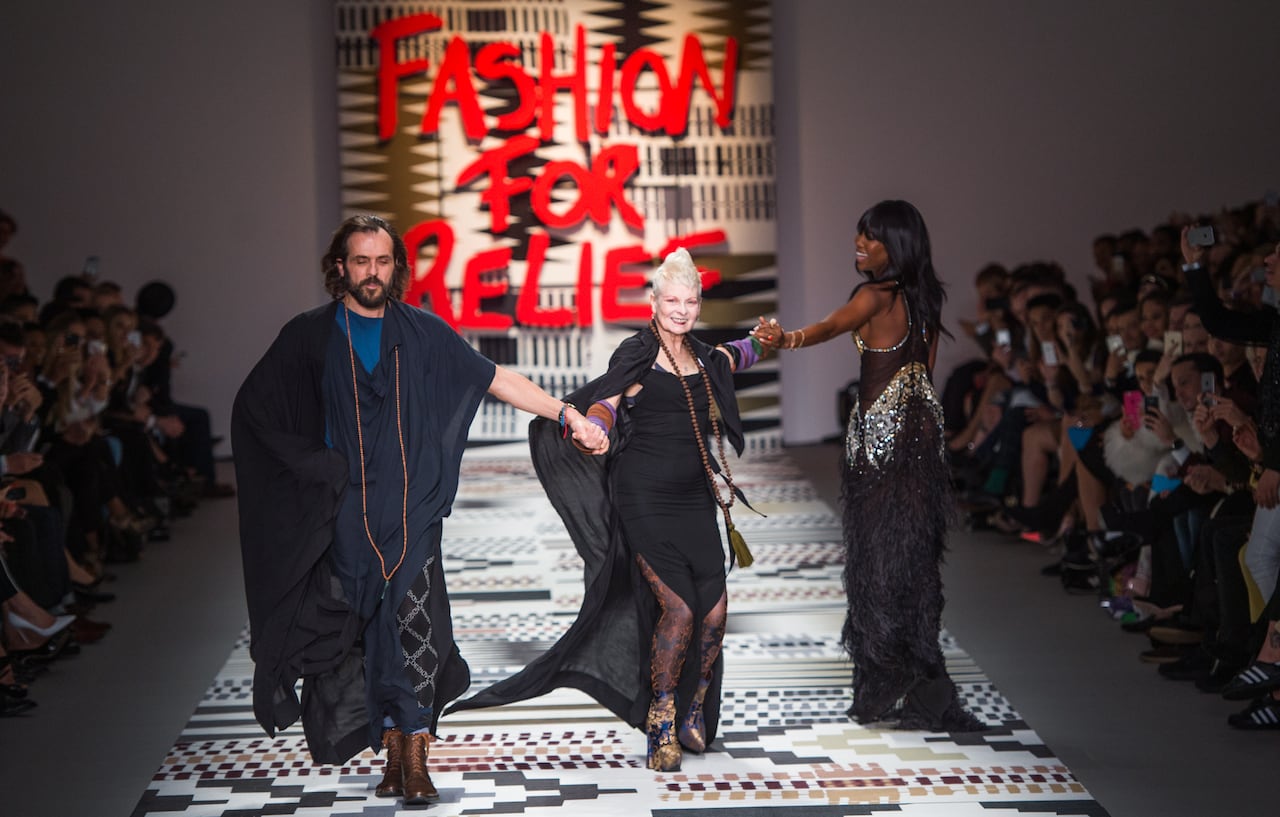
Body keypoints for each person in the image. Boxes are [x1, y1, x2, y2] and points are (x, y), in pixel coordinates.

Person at [231, 215, 606, 805]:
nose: (372, 272)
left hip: (412, 508)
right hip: (344, 514)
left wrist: (567, 414)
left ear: (395, 268)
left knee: (416, 623)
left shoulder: (421, 332)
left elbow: (494, 378)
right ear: (340, 267)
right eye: (361, 261)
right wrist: (315, 466)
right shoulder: (308, 336)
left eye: (382, 262)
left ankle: (416, 753)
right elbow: (256, 411)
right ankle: (389, 744)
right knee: (363, 631)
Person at [447, 247, 764, 771]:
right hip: (643, 497)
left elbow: (738, 355)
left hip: (693, 499)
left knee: (715, 613)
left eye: (690, 301)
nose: (681, 310)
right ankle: (661, 717)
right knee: (680, 609)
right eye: (672, 300)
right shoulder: (636, 353)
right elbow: (608, 401)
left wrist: (763, 341)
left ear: (699, 303)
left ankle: (695, 707)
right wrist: (595, 427)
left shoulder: (705, 358)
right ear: (654, 300)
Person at [754, 199, 983, 731]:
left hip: (882, 447)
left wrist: (783, 339)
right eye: (859, 235)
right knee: (916, 559)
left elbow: (832, 326)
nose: (859, 245)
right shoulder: (926, 297)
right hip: (921, 442)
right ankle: (918, 679)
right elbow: (923, 375)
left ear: (896, 244)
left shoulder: (874, 296)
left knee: (879, 558)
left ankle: (891, 676)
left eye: (871, 238)